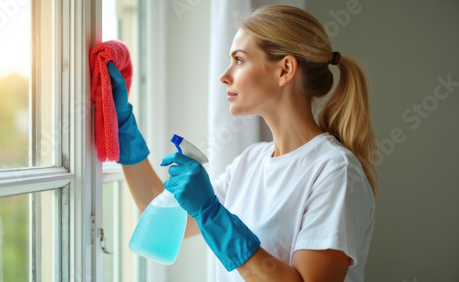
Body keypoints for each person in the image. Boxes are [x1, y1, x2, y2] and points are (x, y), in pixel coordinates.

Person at [108, 5, 376, 282]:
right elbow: (160, 210)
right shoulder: (250, 161)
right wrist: (124, 127)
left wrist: (212, 213)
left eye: (239, 60)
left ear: (285, 69)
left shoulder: (334, 170)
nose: (224, 76)